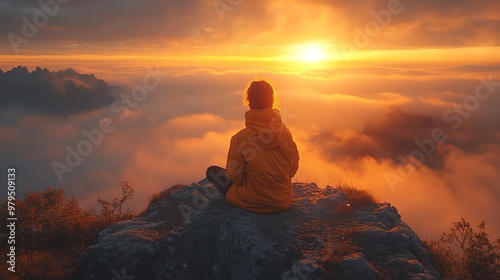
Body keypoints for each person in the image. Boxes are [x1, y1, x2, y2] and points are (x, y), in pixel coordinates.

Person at [206, 80, 299, 213]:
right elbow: (293, 167)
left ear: (249, 103)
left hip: (251, 200)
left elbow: (235, 177)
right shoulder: (285, 133)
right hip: (282, 200)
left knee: (212, 171)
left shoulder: (239, 139)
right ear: (272, 101)